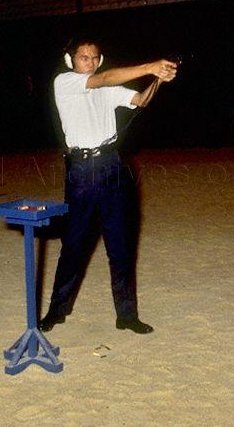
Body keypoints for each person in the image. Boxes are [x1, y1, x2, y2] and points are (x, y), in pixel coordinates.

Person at [38, 38, 177, 334]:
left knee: (121, 243)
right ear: (70, 60)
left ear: (99, 60)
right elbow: (101, 79)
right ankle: (56, 310)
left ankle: (126, 315)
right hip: (82, 169)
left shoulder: (107, 87)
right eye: (83, 57)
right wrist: (150, 65)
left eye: (94, 58)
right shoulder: (64, 82)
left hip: (112, 164)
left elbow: (141, 100)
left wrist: (157, 79)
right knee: (74, 244)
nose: (88, 62)